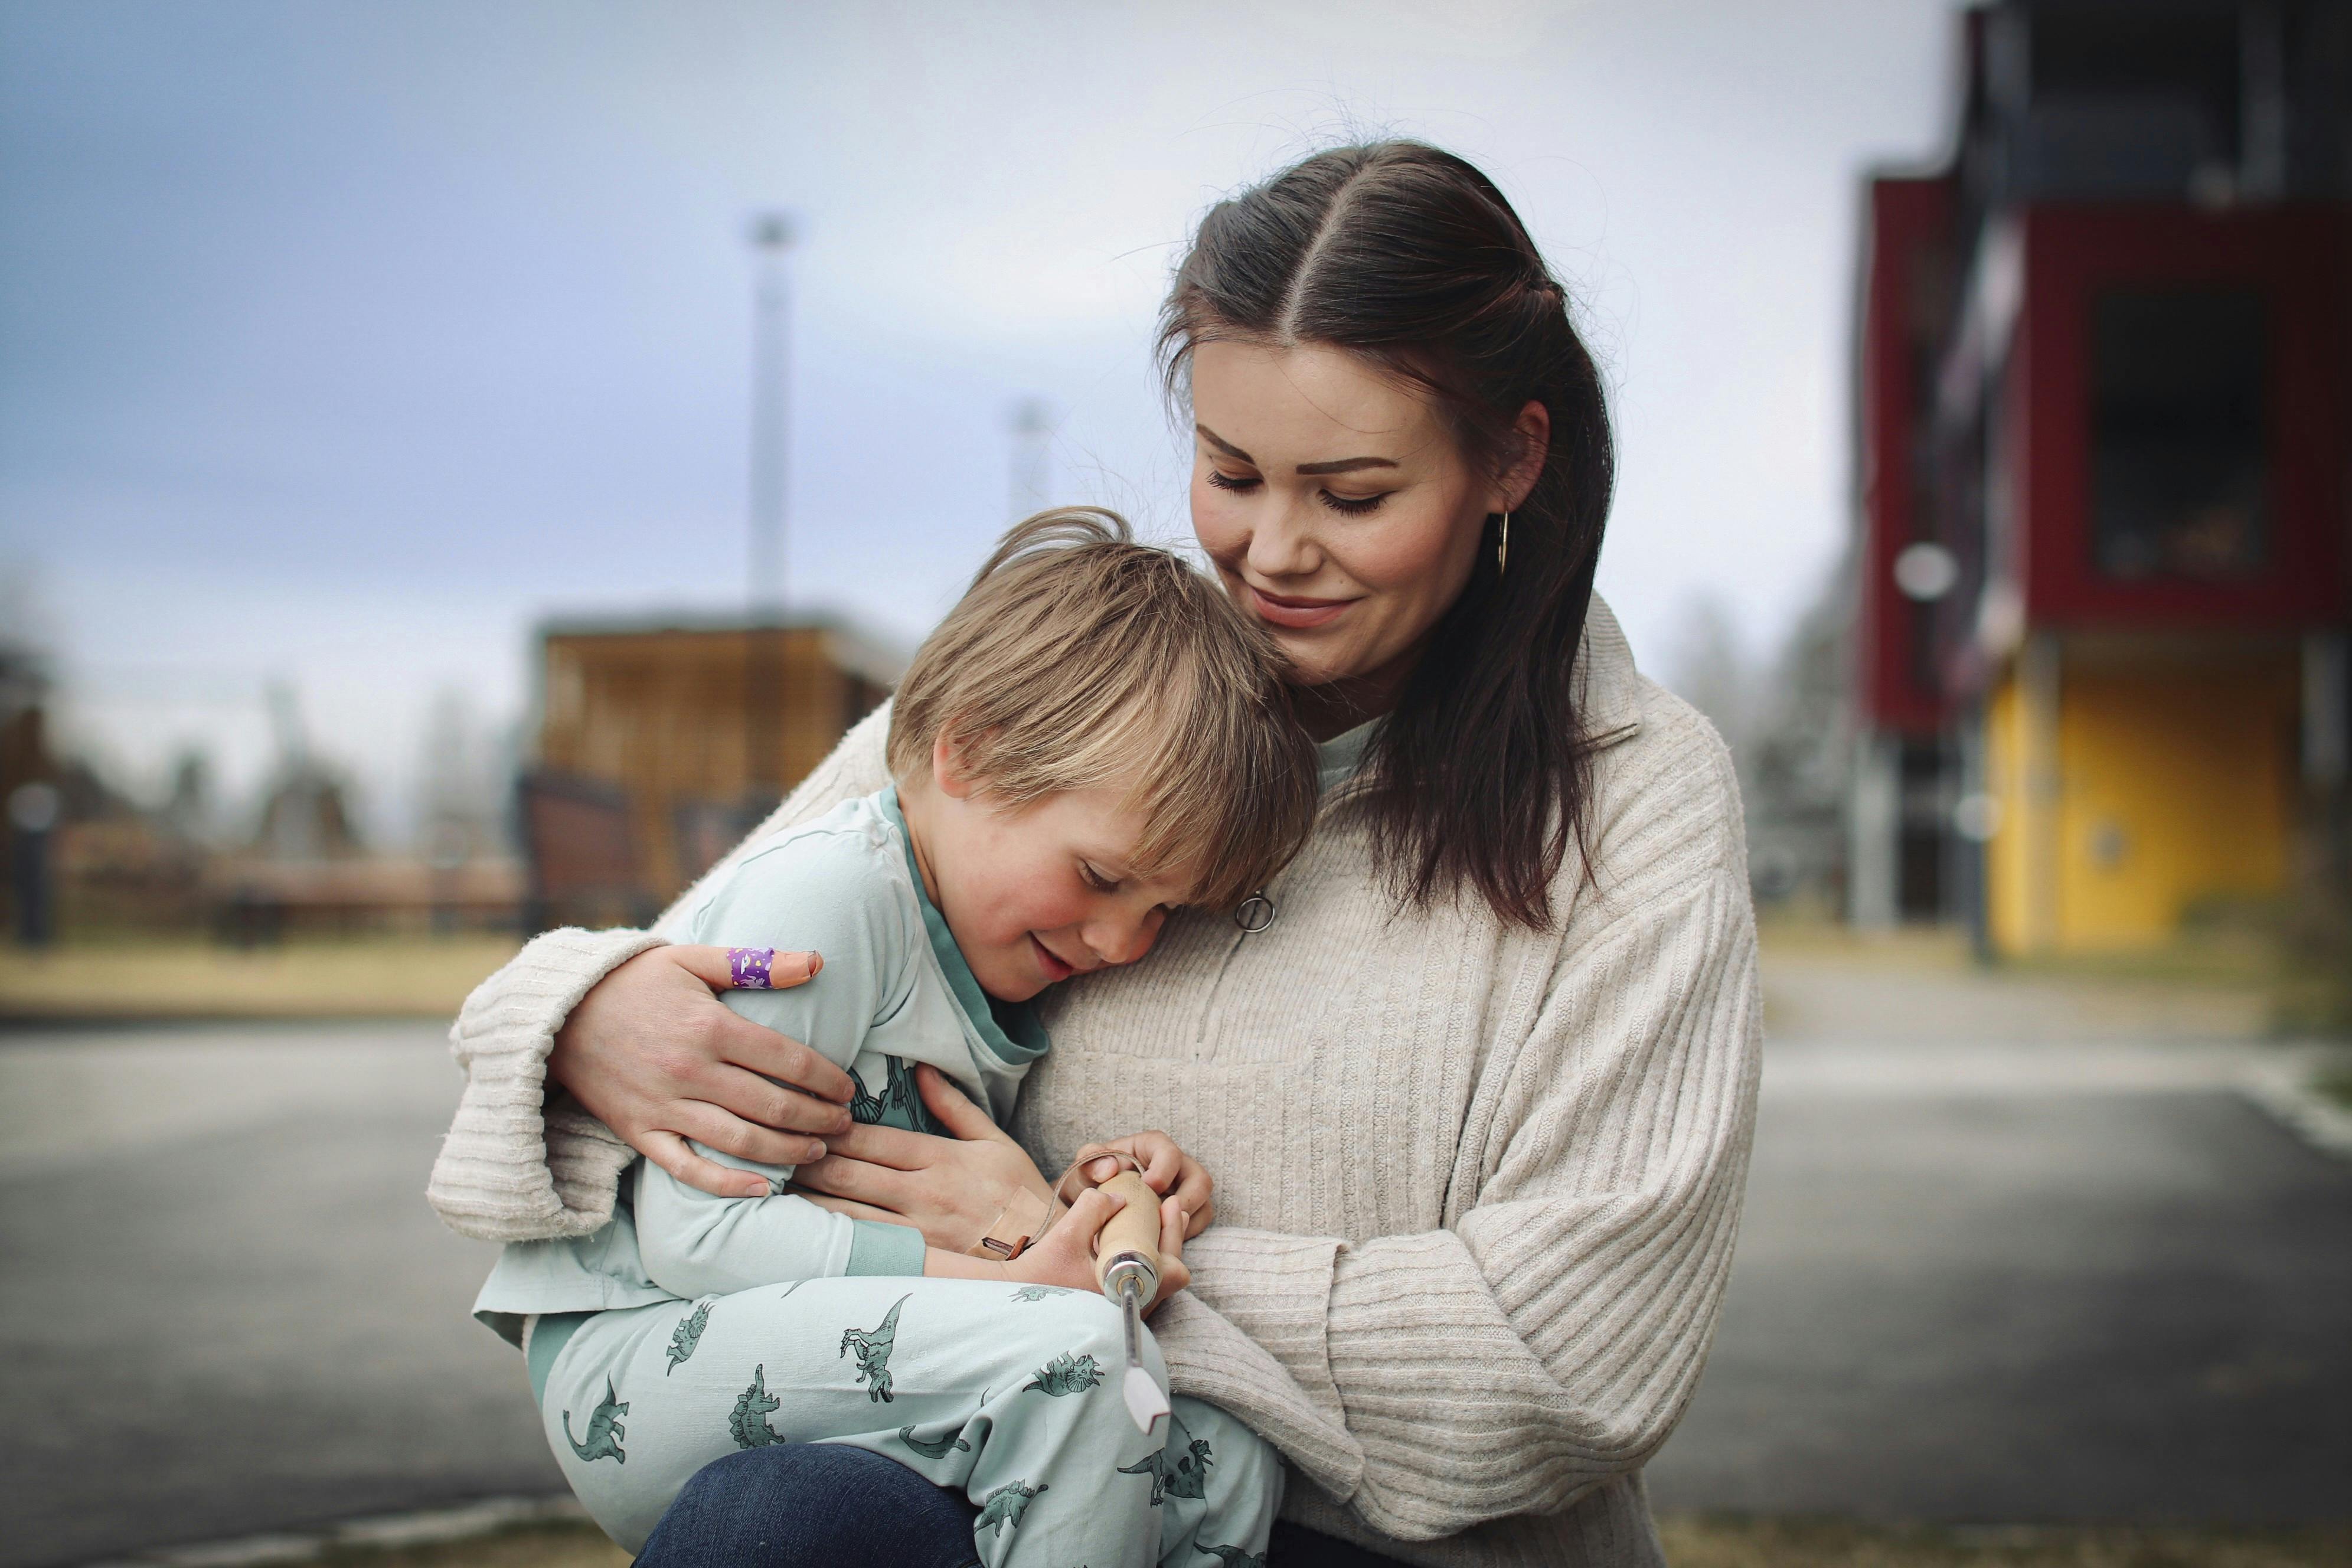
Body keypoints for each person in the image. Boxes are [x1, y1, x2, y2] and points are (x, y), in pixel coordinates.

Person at [429, 139, 1762, 1568]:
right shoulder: (1082, 698)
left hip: (1373, 1542)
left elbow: (1572, 1359)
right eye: (1231, 470)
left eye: (1354, 494)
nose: (1272, 550)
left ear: (1513, 456)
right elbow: (740, 972)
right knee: (781, 1523)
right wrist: (586, 1012)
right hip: (999, 1477)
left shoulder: (1635, 797)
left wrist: (1082, 1260)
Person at [469, 511, 1317, 1564]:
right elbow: (697, 1237)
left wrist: (1092, 1192)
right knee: (1081, 1357)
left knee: (1228, 1457)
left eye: (1163, 911)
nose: (1121, 941)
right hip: (642, 1359)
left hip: (816, 1349)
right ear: (968, 754)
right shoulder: (827, 903)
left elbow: (914, 1187)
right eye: (1102, 878)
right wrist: (1021, 1289)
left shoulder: (970, 936)